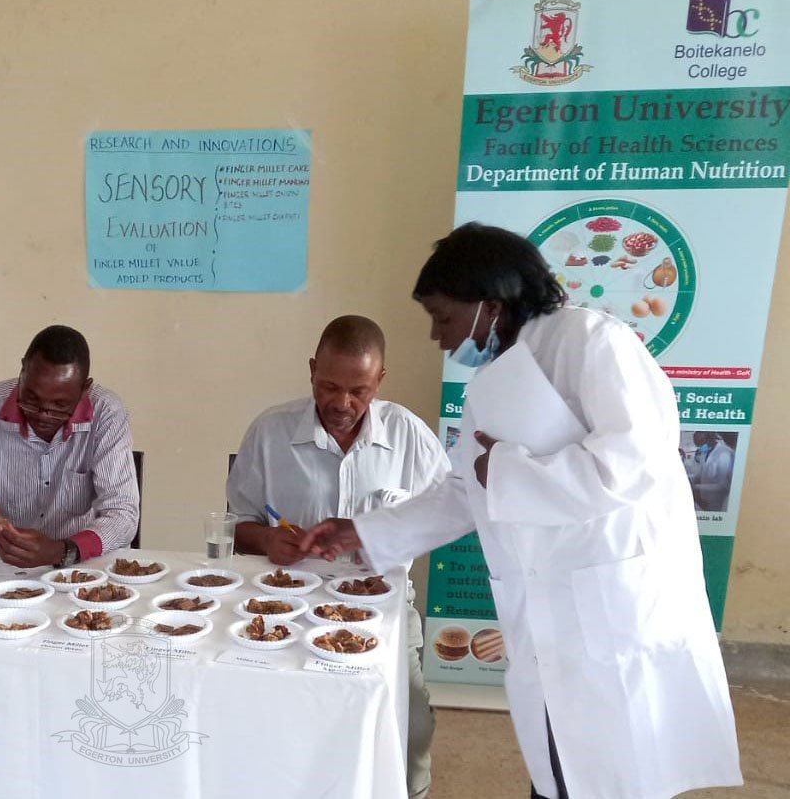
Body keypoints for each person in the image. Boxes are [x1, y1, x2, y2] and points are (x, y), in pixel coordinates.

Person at [301, 223, 741, 799]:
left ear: (492, 302)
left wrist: (504, 471)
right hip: (549, 604)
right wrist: (357, 529)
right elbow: (463, 490)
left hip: (611, 600)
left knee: (611, 768)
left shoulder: (592, 342)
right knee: (563, 766)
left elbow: (636, 462)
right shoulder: (490, 382)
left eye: (443, 316)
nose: (437, 336)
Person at [226, 314, 447, 799]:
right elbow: (236, 526)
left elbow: (447, 517)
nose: (342, 404)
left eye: (359, 391)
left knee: (410, 724)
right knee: (272, 721)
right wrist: (267, 541)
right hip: (287, 606)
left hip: (383, 608)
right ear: (311, 371)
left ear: (380, 382)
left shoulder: (409, 438)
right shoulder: (270, 432)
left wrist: (385, 536)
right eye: (328, 386)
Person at [0, 325, 138, 567]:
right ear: (22, 370)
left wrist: (63, 551)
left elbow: (122, 514)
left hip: (81, 564)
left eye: (60, 405)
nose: (43, 415)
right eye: (31, 399)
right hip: (5, 563)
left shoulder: (107, 413)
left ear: (85, 389)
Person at [690, 430, 735, 512]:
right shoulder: (706, 451)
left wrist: (696, 487)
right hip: (705, 499)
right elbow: (702, 472)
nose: (699, 448)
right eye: (697, 445)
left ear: (710, 440)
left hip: (718, 502)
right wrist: (690, 479)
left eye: (700, 444)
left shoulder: (724, 454)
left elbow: (722, 486)